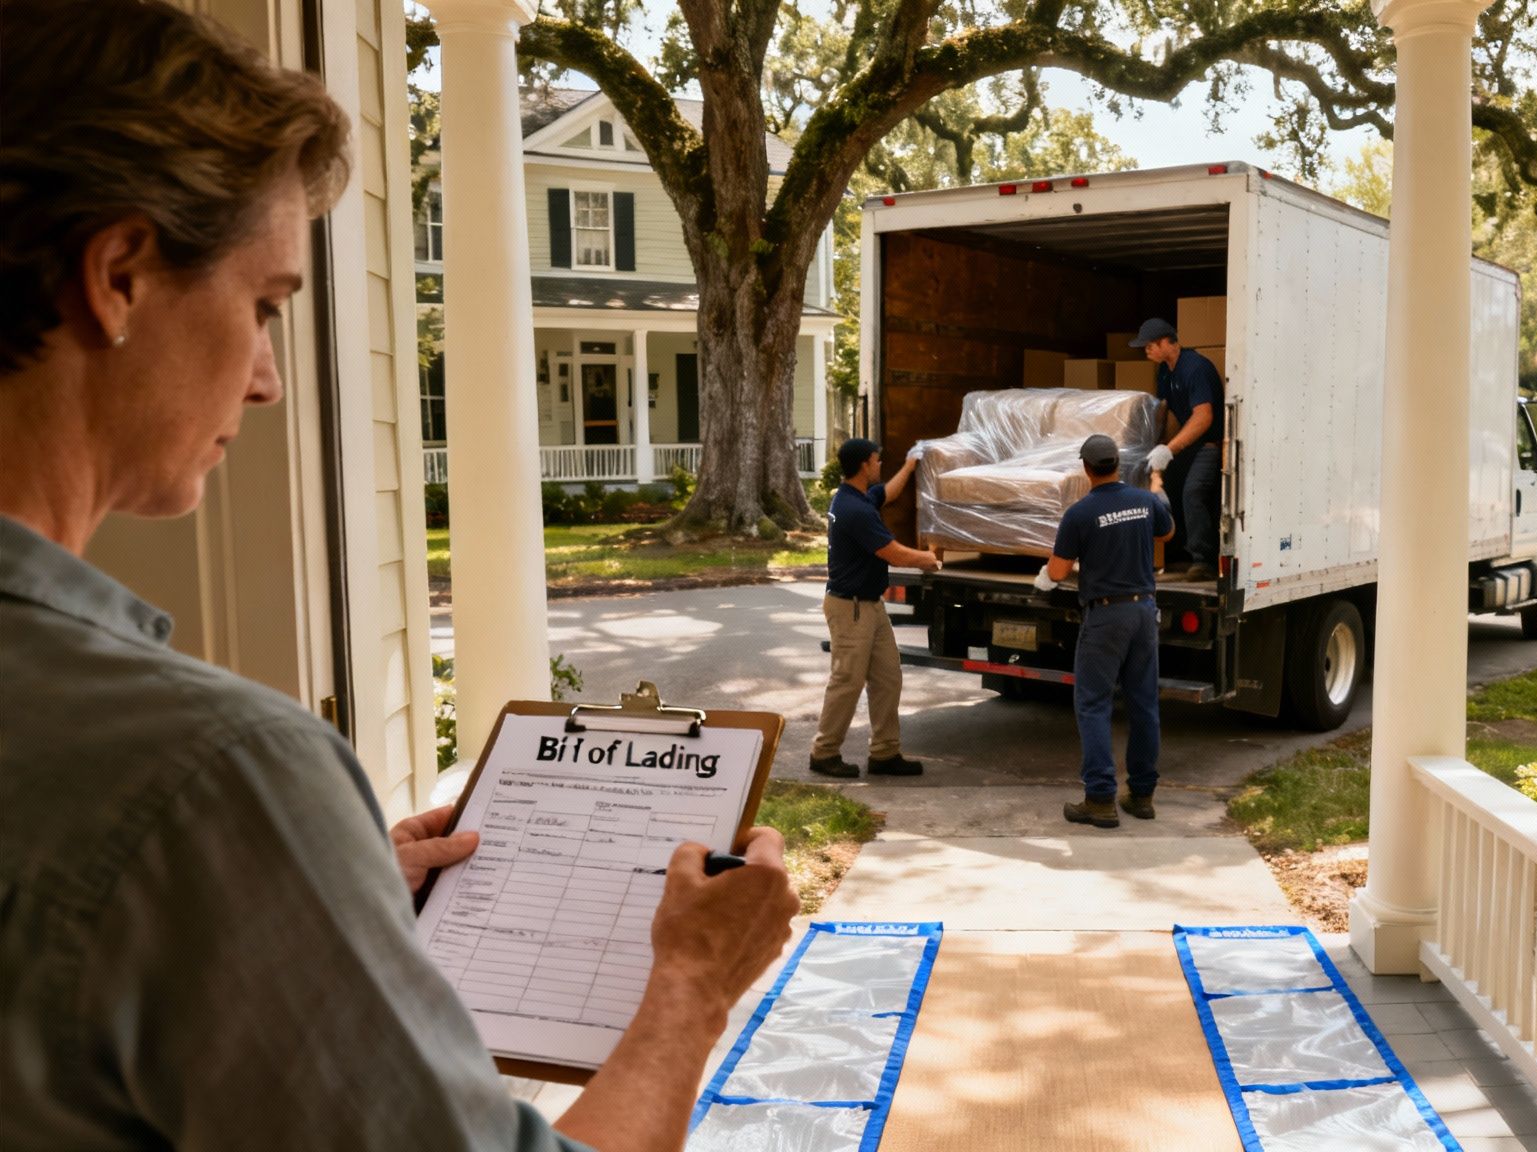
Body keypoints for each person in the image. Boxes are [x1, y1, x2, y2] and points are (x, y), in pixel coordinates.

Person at [0, 4, 798, 1148]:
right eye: (264, 305)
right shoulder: (208, 780)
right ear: (119, 273)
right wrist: (690, 985)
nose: (270, 379)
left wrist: (294, 897)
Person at [1037, 435, 1176, 828]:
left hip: (1105, 617)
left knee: (1094, 705)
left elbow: (1059, 570)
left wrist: (1046, 578)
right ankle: (1143, 795)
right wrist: (1157, 486)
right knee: (1144, 704)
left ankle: (1100, 799)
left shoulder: (1080, 513)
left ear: (1086, 468)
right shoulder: (1145, 502)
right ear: (1118, 464)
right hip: (1143, 611)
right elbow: (1166, 533)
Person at [811, 437, 941, 778]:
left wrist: (911, 465)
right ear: (865, 464)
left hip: (869, 605)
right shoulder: (855, 511)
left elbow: (888, 493)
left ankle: (884, 753)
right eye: (877, 461)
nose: (880, 465)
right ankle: (824, 752)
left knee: (887, 677)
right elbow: (893, 553)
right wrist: (928, 558)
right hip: (851, 608)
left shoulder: (854, 497)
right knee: (847, 681)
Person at [1132, 317, 1224, 581]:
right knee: (1167, 489)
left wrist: (1170, 448)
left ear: (1164, 343)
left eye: (1149, 346)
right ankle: (1178, 550)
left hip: (1207, 444)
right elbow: (1166, 410)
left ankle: (1203, 560)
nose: (1146, 351)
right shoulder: (1166, 370)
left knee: (1193, 492)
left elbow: (1203, 417)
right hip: (1187, 445)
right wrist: (1153, 443)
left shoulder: (1195, 368)